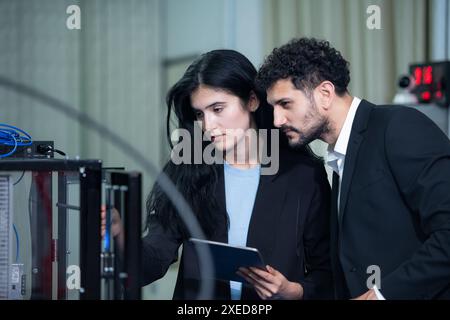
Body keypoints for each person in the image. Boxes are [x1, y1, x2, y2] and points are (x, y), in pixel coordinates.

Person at [104, 49, 333, 300]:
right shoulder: (185, 170)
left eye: (218, 108)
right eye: (200, 114)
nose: (209, 126)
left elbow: (326, 274)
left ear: (252, 101)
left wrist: (293, 291)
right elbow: (153, 260)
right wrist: (119, 233)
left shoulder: (303, 175)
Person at [255, 37, 450, 300]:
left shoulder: (398, 127)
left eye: (285, 104)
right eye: (273, 108)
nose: (277, 121)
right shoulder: (338, 157)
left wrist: (382, 295)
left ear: (324, 93)